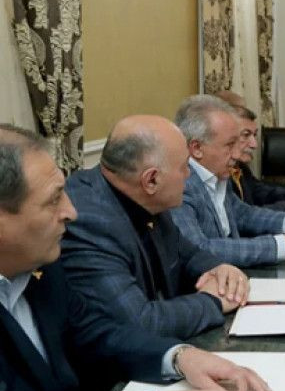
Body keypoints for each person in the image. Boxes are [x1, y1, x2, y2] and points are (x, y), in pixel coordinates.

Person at [0, 124, 272, 391]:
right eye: (53, 199)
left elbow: (97, 333)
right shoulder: (63, 240)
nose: (71, 211)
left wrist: (180, 357)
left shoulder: (40, 265)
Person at [62, 116, 247, 339]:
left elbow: (186, 252)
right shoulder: (89, 221)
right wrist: (213, 302)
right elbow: (141, 324)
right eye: (184, 167)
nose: (189, 175)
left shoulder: (144, 195)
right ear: (151, 180)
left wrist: (219, 269)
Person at [170, 95, 285, 267]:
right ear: (197, 148)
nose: (236, 154)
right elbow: (198, 249)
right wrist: (280, 247)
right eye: (229, 145)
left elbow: (242, 214)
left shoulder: (216, 171)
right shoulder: (180, 185)